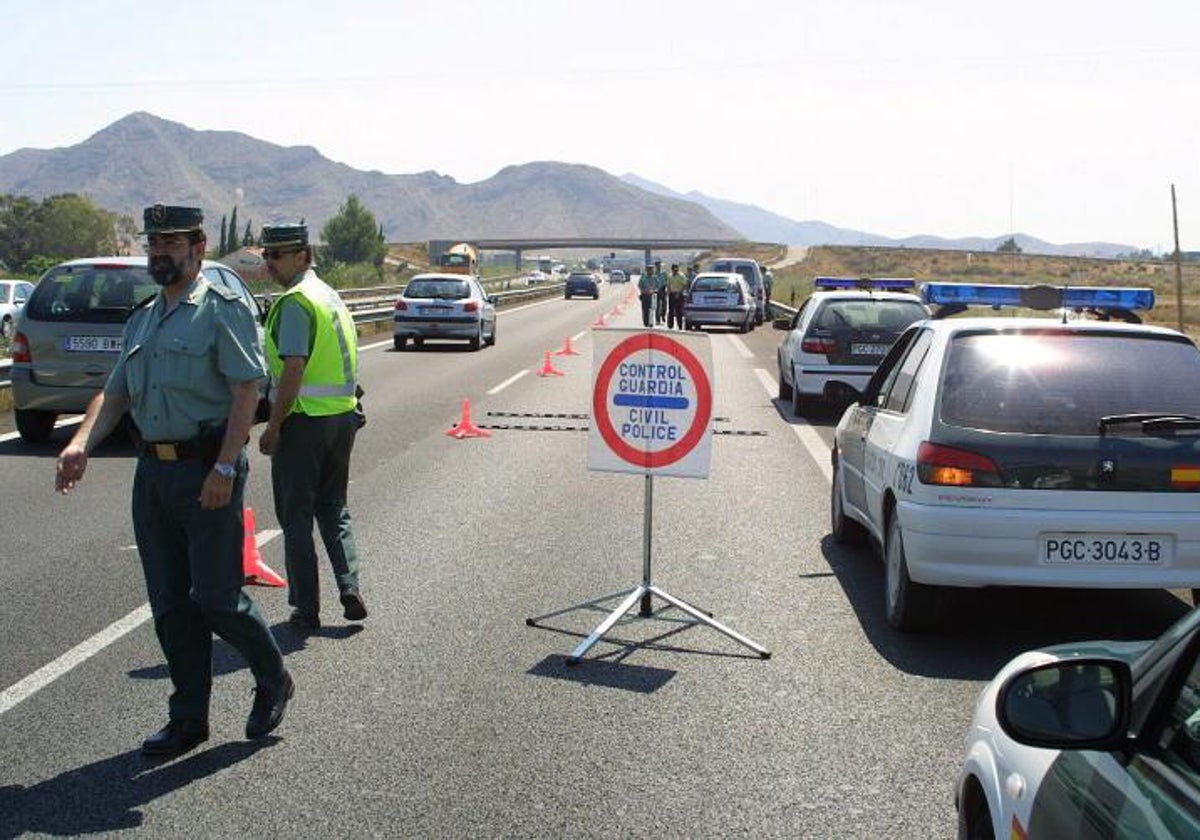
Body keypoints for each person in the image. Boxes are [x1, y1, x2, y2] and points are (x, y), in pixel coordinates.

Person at [55, 204, 292, 756]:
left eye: (172, 243)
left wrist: (227, 467)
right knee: (170, 605)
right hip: (153, 475)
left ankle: (272, 675)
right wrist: (79, 443)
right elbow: (114, 394)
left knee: (215, 598)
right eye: (154, 244)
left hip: (208, 468)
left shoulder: (221, 308)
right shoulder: (143, 318)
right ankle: (188, 719)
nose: (160, 253)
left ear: (199, 246)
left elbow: (246, 391)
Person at [257, 223, 367, 630]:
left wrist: (273, 426)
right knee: (333, 507)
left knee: (296, 515)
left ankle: (306, 606)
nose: (269, 263)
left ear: (303, 255)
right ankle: (349, 584)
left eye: (278, 255)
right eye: (266, 255)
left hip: (304, 421)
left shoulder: (295, 303)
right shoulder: (330, 296)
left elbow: (293, 369)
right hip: (342, 416)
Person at [666, 263, 689, 330]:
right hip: (672, 294)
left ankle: (680, 325)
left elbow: (684, 285)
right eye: (674, 270)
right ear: (672, 269)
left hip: (679, 294)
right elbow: (668, 285)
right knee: (671, 310)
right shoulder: (670, 276)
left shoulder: (682, 276)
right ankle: (670, 325)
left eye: (676, 269)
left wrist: (679, 293)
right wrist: (668, 292)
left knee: (679, 311)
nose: (675, 271)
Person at [653, 259, 667, 325]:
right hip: (656, 290)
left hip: (663, 289)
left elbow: (667, 281)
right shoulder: (654, 274)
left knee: (664, 305)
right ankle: (657, 319)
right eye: (657, 266)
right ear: (655, 266)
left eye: (659, 265)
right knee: (657, 306)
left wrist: (667, 288)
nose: (658, 267)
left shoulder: (664, 273)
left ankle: (663, 315)